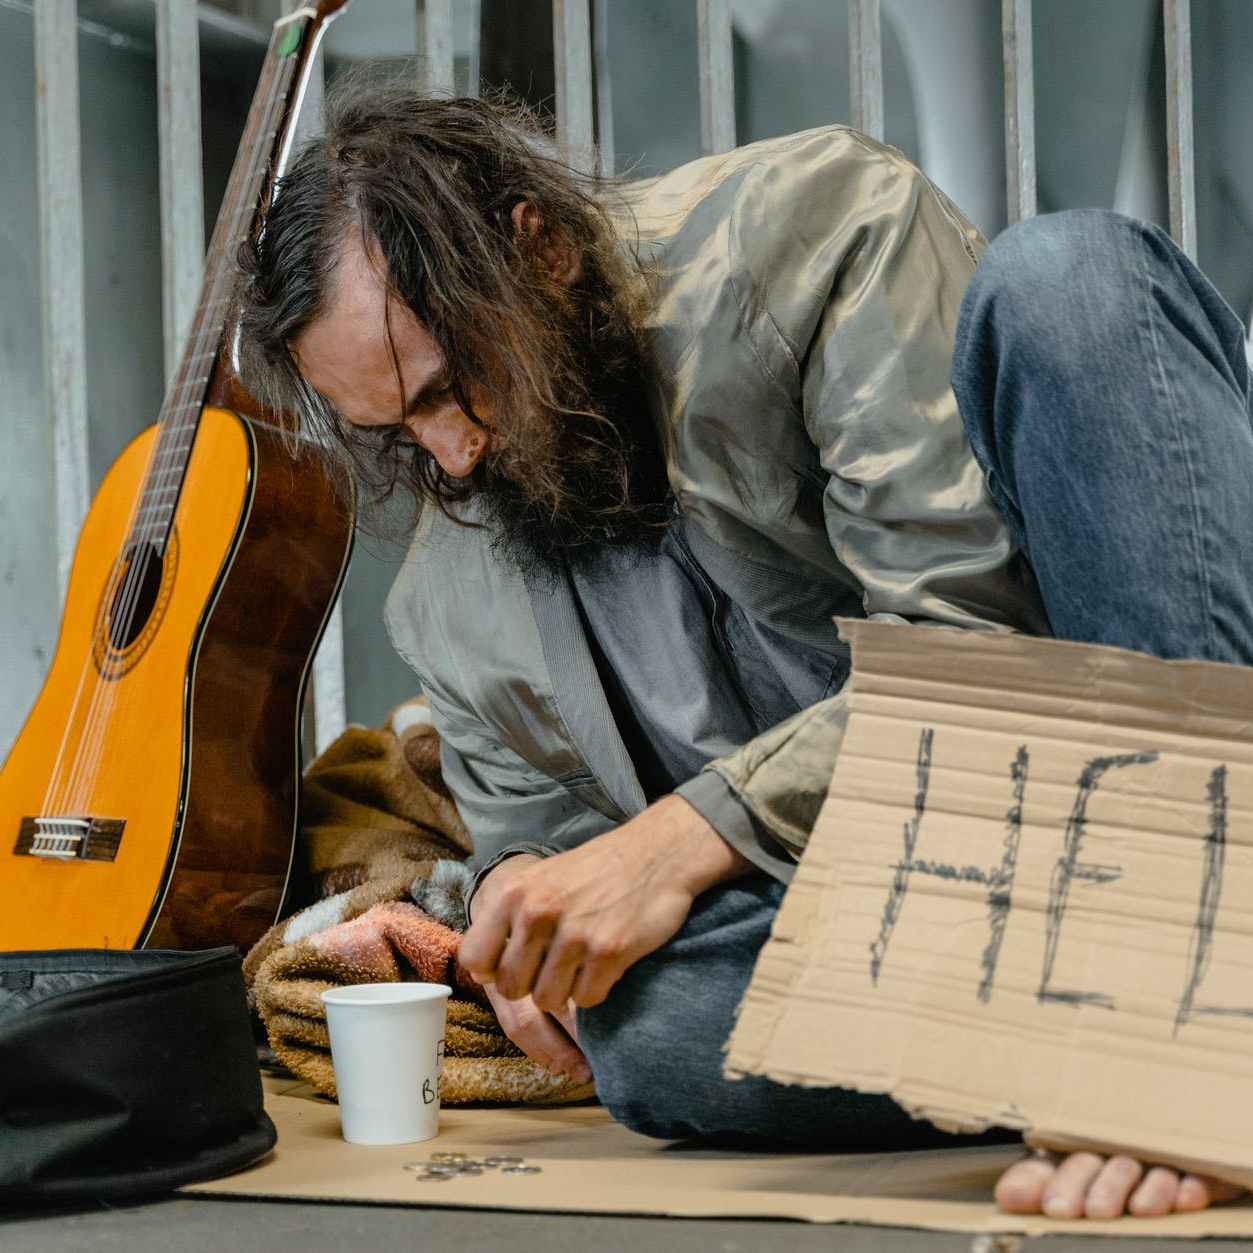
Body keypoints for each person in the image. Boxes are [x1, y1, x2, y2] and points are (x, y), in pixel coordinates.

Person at [233, 76, 1253, 1221]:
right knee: (643, 1025)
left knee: (1069, 279)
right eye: (398, 428)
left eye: (452, 386)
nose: (452, 453)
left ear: (538, 249)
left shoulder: (812, 231)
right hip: (959, 904)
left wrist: (690, 834)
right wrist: (522, 899)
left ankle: (1204, 1005)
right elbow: (551, 854)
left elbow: (977, 647)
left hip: (1134, 787)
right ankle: (1113, 1041)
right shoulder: (443, 598)